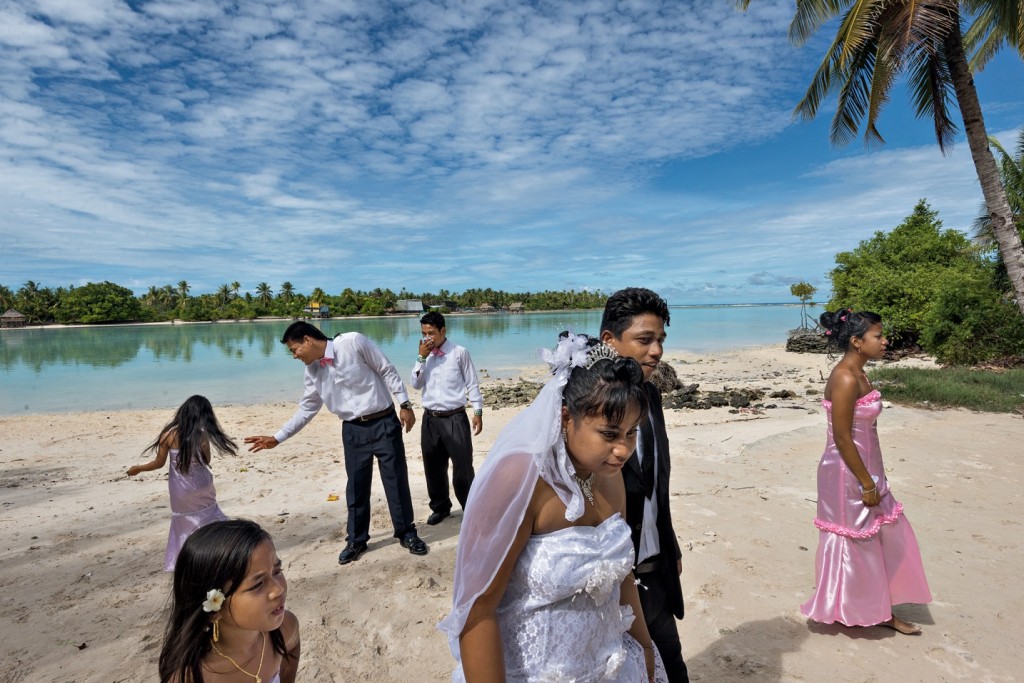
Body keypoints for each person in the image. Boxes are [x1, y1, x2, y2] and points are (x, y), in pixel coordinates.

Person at [439, 332, 668, 682]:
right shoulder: (520, 479)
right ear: (565, 417)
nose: (624, 449)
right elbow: (477, 607)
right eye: (609, 434)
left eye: (631, 432)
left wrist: (646, 649)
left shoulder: (609, 475)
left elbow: (621, 574)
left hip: (613, 665)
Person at [244, 321, 428, 564]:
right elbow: (307, 409)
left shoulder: (353, 342)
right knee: (356, 487)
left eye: (294, 349)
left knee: (395, 480)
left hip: (383, 421)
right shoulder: (312, 371)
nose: (295, 356)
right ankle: (356, 540)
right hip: (352, 430)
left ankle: (407, 533)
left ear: (308, 340)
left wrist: (405, 404)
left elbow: (386, 369)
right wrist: (278, 437)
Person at [801, 309, 932, 634]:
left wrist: (876, 477)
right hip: (847, 473)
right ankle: (870, 610)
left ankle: (875, 606)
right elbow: (844, 438)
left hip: (868, 470)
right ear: (857, 342)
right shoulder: (845, 377)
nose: (885, 341)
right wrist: (866, 483)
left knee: (882, 537)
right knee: (859, 543)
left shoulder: (861, 373)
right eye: (878, 336)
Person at [600, 287, 688, 682]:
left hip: (655, 563)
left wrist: (669, 543)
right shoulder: (588, 412)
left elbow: (658, 482)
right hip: (611, 573)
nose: (657, 352)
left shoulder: (652, 395)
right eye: (645, 340)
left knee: (671, 656)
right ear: (610, 341)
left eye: (661, 340)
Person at [158, 519, 301, 683]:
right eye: (257, 584)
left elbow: (293, 646)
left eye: (277, 571)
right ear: (214, 609)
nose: (278, 589)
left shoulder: (285, 630)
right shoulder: (193, 676)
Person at [127, 394, 236, 572]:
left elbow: (159, 463)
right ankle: (215, 552)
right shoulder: (201, 435)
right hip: (202, 483)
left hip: (182, 488)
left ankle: (187, 559)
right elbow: (206, 460)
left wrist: (138, 468)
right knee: (209, 516)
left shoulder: (168, 435)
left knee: (184, 522)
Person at [410, 311, 484, 525]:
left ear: (443, 331)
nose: (427, 338)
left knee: (463, 467)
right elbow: (416, 384)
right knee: (433, 466)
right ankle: (440, 507)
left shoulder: (459, 353)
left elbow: (472, 383)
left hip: (455, 417)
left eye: (431, 333)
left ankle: (470, 508)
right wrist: (421, 358)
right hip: (430, 419)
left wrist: (477, 411)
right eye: (424, 333)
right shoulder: (424, 355)